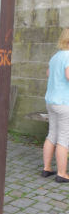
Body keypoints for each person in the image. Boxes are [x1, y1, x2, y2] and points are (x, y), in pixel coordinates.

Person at [42, 28, 69, 183]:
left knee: (52, 134)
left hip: (51, 102)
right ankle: (62, 173)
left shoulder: (55, 57)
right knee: (63, 139)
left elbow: (48, 74)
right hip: (65, 103)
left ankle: (47, 168)